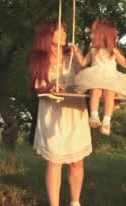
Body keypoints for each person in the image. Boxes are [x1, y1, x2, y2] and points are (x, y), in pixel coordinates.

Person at [27, 19, 92, 206]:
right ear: (47, 35)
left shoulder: (70, 55)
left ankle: (75, 202)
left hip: (74, 111)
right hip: (52, 113)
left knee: (77, 161)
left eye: (64, 31)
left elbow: (86, 78)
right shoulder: (39, 57)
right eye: (59, 31)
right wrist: (51, 86)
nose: (64, 34)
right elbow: (38, 88)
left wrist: (79, 57)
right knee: (55, 161)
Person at [71, 19, 126, 135]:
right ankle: (94, 116)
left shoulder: (113, 50)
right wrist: (76, 52)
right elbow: (83, 62)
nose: (90, 35)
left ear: (102, 34)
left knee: (110, 94)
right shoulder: (93, 50)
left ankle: (106, 121)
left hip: (110, 77)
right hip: (95, 76)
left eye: (93, 32)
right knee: (95, 90)